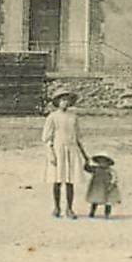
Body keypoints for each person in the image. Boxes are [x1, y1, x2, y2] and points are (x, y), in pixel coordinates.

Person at [42, 87, 88, 219]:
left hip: (71, 150)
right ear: (57, 102)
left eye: (67, 100)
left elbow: (78, 138)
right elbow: (47, 138)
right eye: (62, 100)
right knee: (57, 180)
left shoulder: (73, 117)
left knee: (70, 181)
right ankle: (57, 207)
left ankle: (69, 208)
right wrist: (50, 153)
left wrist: (85, 156)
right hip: (58, 150)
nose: (65, 103)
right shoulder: (52, 117)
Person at [84, 153, 120, 218]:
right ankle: (92, 212)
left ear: (108, 163)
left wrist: (111, 185)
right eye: (100, 161)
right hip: (97, 187)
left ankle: (107, 214)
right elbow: (87, 169)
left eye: (104, 161)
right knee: (95, 199)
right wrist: (86, 163)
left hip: (107, 187)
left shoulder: (110, 171)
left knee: (108, 201)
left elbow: (115, 178)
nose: (102, 163)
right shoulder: (95, 169)